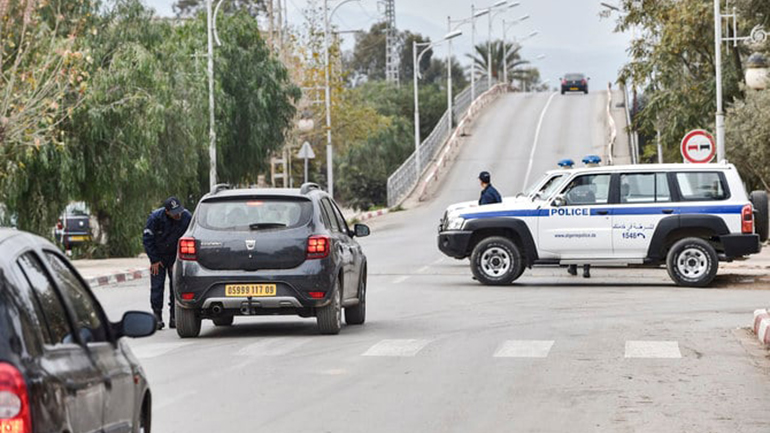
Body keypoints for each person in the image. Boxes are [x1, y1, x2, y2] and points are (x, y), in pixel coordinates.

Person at [143, 196, 192, 330]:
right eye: (174, 213)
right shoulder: (155, 218)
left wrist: (179, 259)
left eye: (179, 211)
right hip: (158, 257)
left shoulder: (187, 217)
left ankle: (174, 317)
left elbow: (190, 238)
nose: (178, 215)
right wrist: (154, 260)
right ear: (167, 211)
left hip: (175, 257)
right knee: (157, 287)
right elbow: (147, 239)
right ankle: (157, 316)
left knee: (175, 287)